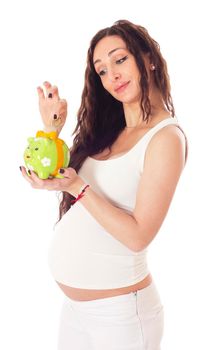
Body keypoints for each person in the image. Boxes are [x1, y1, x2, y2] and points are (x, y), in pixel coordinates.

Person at [20, 19, 188, 350]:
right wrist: (51, 131)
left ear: (148, 59)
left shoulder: (165, 138)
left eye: (120, 59)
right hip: (76, 312)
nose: (111, 75)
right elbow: (61, 176)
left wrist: (78, 188)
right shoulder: (109, 133)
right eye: (101, 70)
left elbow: (139, 235)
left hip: (121, 317)